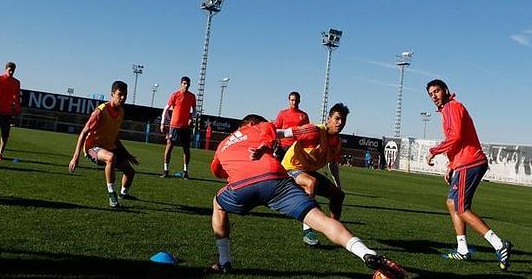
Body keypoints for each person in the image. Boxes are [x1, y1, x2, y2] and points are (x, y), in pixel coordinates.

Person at [208, 114, 405, 278]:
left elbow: (216, 171)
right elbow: (270, 129)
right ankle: (368, 254)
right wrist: (265, 146)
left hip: (243, 186)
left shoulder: (223, 143)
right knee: (321, 220)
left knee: (217, 203)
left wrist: (237, 168)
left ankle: (224, 262)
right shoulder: (260, 127)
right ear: (253, 123)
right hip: (277, 178)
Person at [425, 79, 512, 271]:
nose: (434, 96)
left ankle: (499, 244)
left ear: (445, 90)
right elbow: (458, 140)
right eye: (431, 94)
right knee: (451, 202)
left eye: (437, 91)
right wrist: (451, 165)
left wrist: (434, 150)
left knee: (462, 208)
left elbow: (455, 136)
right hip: (464, 163)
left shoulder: (451, 107)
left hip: (470, 163)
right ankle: (462, 248)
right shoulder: (448, 109)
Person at [278, 103, 348, 246]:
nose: (340, 123)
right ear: (328, 119)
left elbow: (333, 165)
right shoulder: (314, 131)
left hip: (308, 172)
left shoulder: (337, 141)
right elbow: (284, 133)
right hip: (289, 169)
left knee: (338, 195)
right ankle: (307, 230)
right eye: (337, 118)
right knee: (311, 183)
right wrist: (260, 134)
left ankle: (334, 229)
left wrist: (338, 186)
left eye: (343, 120)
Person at [69, 81, 138, 208]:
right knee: (110, 158)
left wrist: (126, 154)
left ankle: (123, 194)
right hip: (92, 147)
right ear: (112, 94)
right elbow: (84, 132)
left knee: (130, 172)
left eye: (125, 95)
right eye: (120, 94)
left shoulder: (121, 112)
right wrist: (75, 157)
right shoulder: (100, 111)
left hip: (109, 146)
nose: (123, 98)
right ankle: (112, 195)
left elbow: (114, 136)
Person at [159, 76, 196, 179]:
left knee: (186, 148)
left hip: (185, 127)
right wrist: (163, 123)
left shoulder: (192, 96)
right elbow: (166, 109)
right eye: (184, 83)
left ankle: (185, 171)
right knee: (169, 146)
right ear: (181, 84)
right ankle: (165, 170)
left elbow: (194, 110)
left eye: (188, 84)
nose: (186, 85)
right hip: (174, 125)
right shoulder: (175, 95)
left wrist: (192, 118)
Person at [273, 91, 310, 161]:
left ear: (299, 101)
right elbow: (276, 128)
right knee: (278, 167)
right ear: (289, 101)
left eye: (296, 100)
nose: (294, 102)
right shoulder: (282, 113)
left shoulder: (304, 115)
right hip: (283, 146)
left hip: (296, 148)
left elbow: (306, 133)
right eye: (292, 100)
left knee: (293, 169)